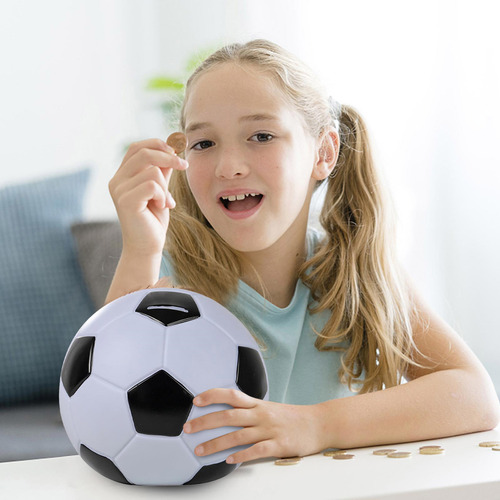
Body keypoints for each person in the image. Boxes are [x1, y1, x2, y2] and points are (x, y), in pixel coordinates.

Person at [106, 39, 499, 465]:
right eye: (204, 144)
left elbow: (473, 395)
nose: (229, 166)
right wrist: (140, 251)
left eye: (261, 136)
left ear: (324, 153)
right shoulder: (166, 278)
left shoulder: (353, 268)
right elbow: (105, 426)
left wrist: (316, 425)